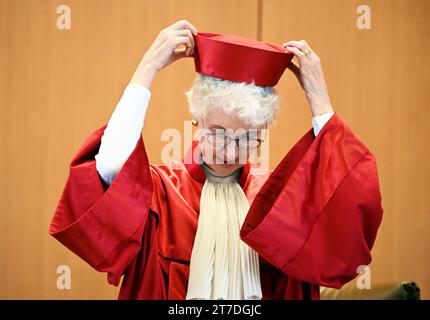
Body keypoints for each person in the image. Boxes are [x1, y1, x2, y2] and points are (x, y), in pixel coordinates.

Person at [49, 20, 383, 300]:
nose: (231, 150)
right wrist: (148, 67)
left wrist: (319, 98)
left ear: (264, 132)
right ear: (197, 122)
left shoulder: (278, 202)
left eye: (249, 136)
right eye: (219, 132)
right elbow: (107, 167)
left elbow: (347, 221)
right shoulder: (162, 192)